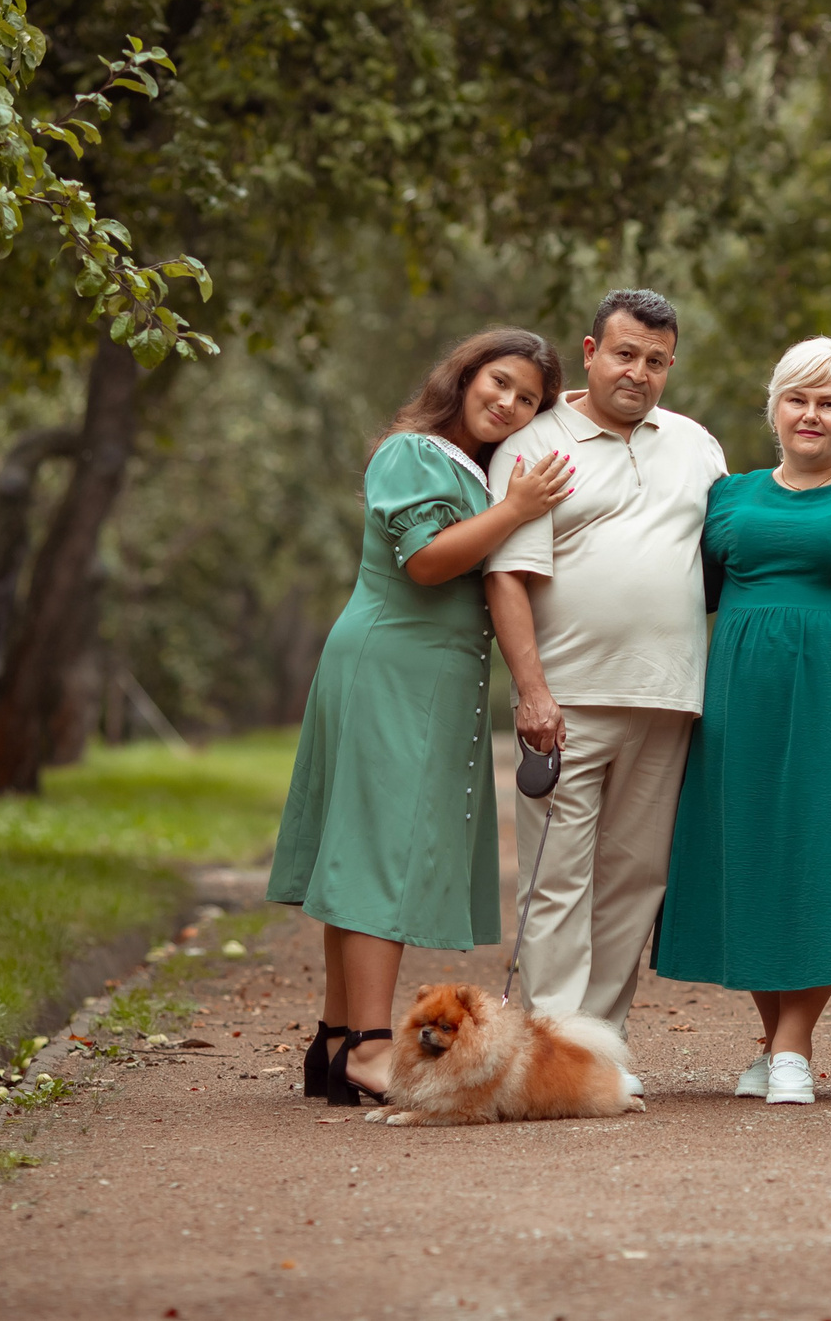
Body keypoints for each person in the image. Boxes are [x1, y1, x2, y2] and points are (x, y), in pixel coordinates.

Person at [268, 330, 576, 1107]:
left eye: (529, 399)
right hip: (390, 666)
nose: (507, 403)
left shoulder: (467, 465)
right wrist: (515, 509)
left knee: (371, 847)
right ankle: (373, 1049)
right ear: (465, 375)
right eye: (498, 382)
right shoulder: (413, 453)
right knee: (382, 855)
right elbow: (428, 560)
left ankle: (336, 1042)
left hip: (424, 675)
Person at [653, 337, 831, 1106]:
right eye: (798, 398)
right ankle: (776, 1043)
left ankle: (791, 1046)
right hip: (738, 715)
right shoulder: (732, 497)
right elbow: (683, 592)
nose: (811, 415)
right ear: (774, 407)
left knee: (822, 862)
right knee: (748, 864)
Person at [484, 290, 727, 1072]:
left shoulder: (696, 445)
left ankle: (600, 1046)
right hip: (568, 700)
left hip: (669, 696)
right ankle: (549, 1046)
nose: (640, 372)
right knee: (556, 882)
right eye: (625, 354)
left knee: (635, 880)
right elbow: (508, 578)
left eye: (657, 361)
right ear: (590, 352)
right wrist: (531, 693)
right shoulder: (537, 437)